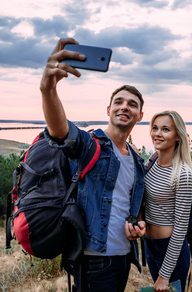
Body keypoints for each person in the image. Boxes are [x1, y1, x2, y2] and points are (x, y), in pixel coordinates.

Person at [40, 37, 146, 291]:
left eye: (132, 104)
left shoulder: (136, 159)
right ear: (108, 109)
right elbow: (60, 131)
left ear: (140, 116)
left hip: (123, 257)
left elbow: (126, 204)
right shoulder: (91, 144)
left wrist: (138, 225)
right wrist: (48, 89)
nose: (124, 107)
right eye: (119, 102)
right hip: (93, 259)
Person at [143, 110, 192, 292]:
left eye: (165, 129)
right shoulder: (151, 163)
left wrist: (164, 276)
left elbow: (181, 228)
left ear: (178, 136)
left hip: (170, 249)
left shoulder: (183, 174)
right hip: (149, 245)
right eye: (155, 128)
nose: (158, 133)